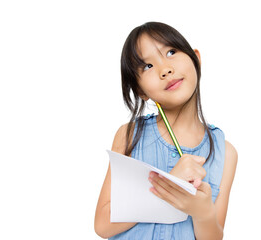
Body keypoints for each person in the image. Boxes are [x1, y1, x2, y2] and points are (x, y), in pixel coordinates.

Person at [94, 22, 238, 240]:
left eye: (171, 52)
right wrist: (169, 184)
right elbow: (102, 226)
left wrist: (203, 212)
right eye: (148, 66)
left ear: (196, 59)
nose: (165, 70)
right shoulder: (129, 135)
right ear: (140, 89)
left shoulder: (225, 153)